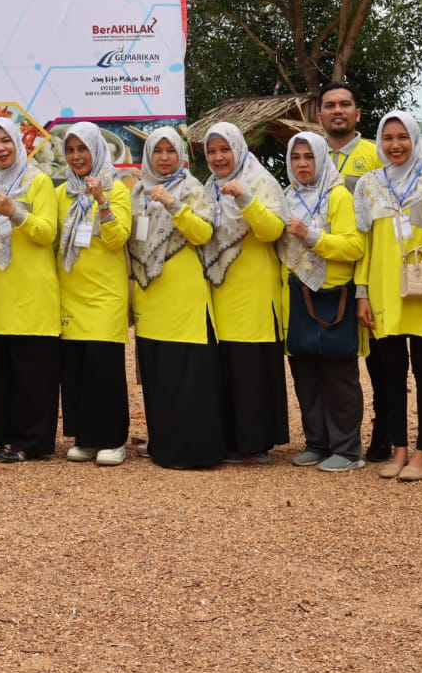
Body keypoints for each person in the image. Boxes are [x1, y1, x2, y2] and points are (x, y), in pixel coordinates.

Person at [353, 112, 422, 482]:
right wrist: (362, 293)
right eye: (388, 138)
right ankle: (399, 449)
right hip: (384, 287)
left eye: (403, 137)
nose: (396, 145)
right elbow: (365, 244)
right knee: (391, 371)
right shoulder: (369, 185)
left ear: (415, 138)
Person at [127, 128, 221, 470]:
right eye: (158, 151)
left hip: (184, 297)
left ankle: (195, 452)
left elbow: (204, 233)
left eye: (171, 150)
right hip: (149, 295)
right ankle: (163, 446)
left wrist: (173, 204)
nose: (164, 157)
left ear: (180, 154)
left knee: (188, 376)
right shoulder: (138, 191)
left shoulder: (192, 188)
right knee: (159, 377)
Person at [200, 123, 289, 464]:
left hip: (254, 289)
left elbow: (272, 230)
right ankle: (232, 440)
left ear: (238, 148)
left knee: (251, 366)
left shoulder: (259, 180)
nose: (218, 157)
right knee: (227, 366)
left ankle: (256, 442)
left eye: (225, 149)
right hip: (220, 289)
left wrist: (245, 198)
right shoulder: (209, 187)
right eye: (212, 151)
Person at [278, 133, 368, 472]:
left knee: (339, 375)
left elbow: (354, 247)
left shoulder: (338, 195)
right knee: (305, 373)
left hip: (333, 297)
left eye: (309, 156)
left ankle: (347, 449)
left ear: (321, 159)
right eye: (296, 157)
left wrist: (310, 235)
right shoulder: (286, 197)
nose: (302, 163)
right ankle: (317, 442)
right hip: (298, 293)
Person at [317, 80, 392, 463]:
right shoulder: (310, 154)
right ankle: (332, 437)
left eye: (345, 104)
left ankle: (385, 432)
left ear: (358, 113)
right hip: (325, 276)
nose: (337, 111)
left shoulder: (375, 155)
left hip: (369, 271)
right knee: (333, 361)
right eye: (330, 105)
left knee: (381, 360)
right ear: (319, 114)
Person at [0, 116, 61, 462]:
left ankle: (32, 443)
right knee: (5, 371)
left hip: (33, 289)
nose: (0, 148)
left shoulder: (38, 181)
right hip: (1, 289)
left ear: (18, 142)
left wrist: (15, 213)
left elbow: (47, 232)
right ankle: (7, 437)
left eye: (5, 141)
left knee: (34, 371)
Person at [56, 122, 134, 467]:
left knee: (104, 369)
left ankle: (113, 439)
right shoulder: (62, 193)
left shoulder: (117, 189)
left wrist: (102, 200)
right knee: (76, 369)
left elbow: (118, 238)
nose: (77, 156)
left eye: (83, 149)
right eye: (71, 150)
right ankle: (85, 438)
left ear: (97, 150)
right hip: (70, 293)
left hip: (105, 295)